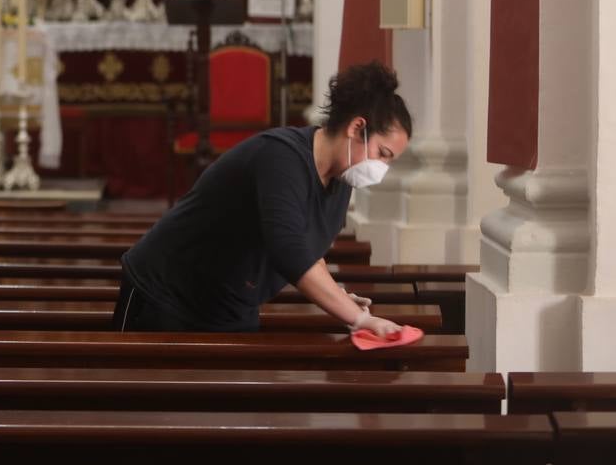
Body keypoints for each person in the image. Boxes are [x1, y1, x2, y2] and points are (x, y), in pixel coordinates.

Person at [114, 61, 412, 338]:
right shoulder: (281, 157)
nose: (381, 169)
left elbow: (309, 249)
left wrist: (338, 297)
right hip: (165, 296)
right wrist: (358, 320)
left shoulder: (340, 180)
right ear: (357, 127)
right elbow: (288, 248)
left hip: (230, 307)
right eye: (382, 154)